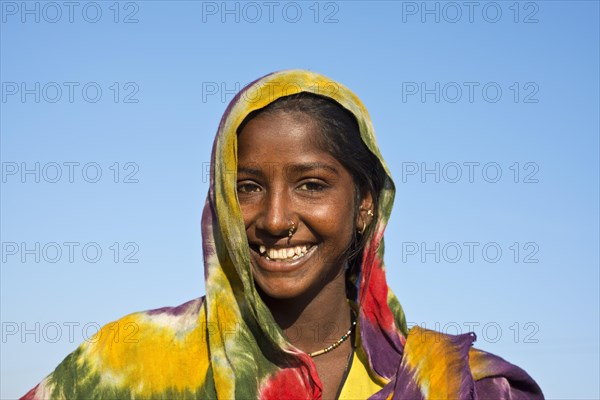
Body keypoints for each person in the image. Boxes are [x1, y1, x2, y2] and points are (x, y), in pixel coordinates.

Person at [21, 70, 544, 399]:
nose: (274, 219)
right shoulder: (128, 363)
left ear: (365, 204)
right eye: (247, 187)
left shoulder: (461, 386)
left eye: (312, 184)